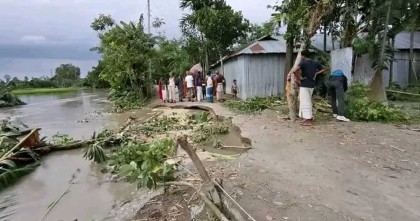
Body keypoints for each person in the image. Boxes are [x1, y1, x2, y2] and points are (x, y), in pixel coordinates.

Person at [290, 50, 326, 126]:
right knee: (308, 100)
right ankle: (306, 117)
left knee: (305, 101)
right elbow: (325, 68)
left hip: (305, 83)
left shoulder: (303, 62)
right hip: (312, 84)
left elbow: (294, 70)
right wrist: (316, 73)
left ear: (303, 56)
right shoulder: (315, 63)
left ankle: (308, 119)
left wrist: (299, 78)